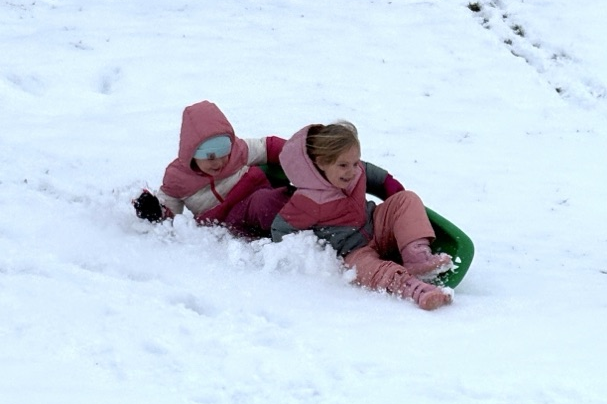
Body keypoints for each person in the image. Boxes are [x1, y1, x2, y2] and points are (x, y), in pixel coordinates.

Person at [270, 121, 454, 310]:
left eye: (355, 162)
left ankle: (417, 258)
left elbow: (375, 176)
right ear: (322, 162)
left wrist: (391, 189)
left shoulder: (356, 170)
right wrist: (306, 254)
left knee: (407, 198)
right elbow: (280, 228)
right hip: (352, 252)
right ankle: (417, 290)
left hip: (375, 223)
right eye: (343, 165)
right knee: (374, 271)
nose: (351, 171)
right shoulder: (307, 201)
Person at [133, 100, 289, 236]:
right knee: (263, 204)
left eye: (224, 154)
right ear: (192, 153)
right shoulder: (177, 178)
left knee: (272, 197)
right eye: (210, 157)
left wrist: (298, 154)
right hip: (224, 220)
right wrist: (154, 211)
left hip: (254, 194)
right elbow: (168, 209)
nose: (219, 163)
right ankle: (293, 223)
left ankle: (303, 208)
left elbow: (267, 147)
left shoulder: (238, 150)